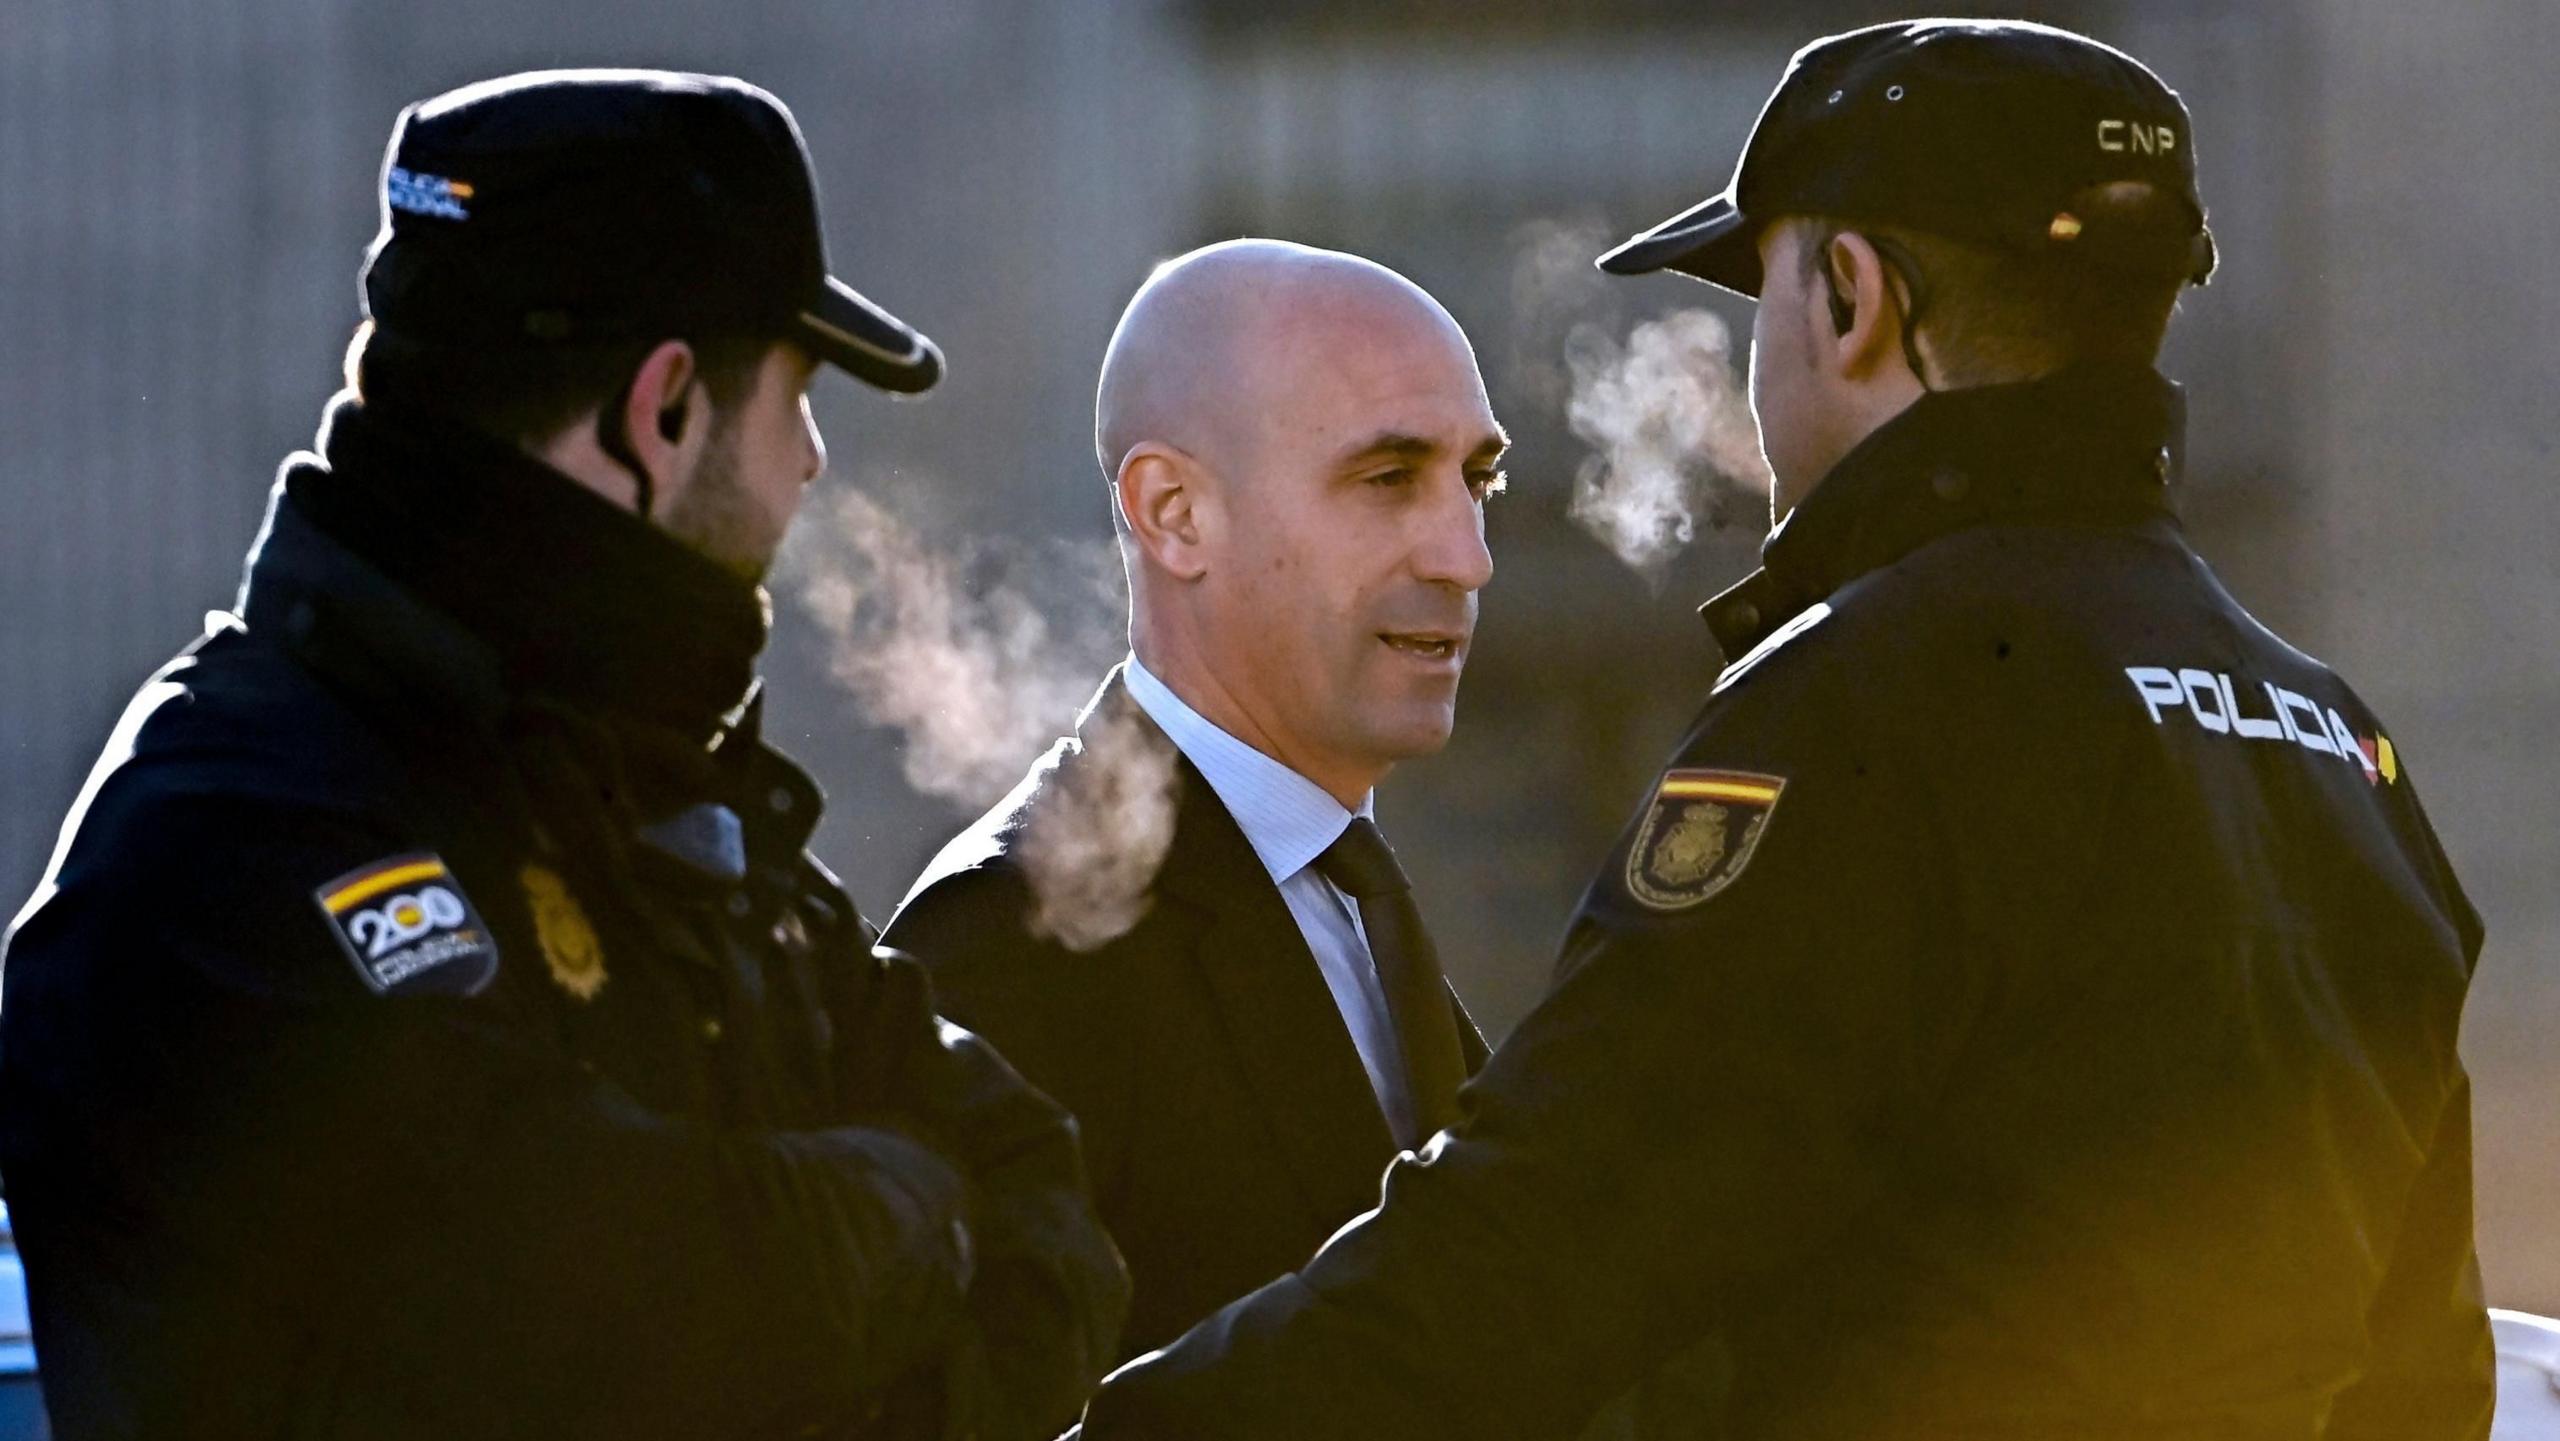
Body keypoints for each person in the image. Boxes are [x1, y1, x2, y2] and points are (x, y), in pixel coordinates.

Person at [1069, 20, 2491, 1440]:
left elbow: (1535, 1248)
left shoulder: (1874, 699)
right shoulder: (2334, 743)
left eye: (1766, 299)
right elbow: (2427, 1370)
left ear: (1856, 296)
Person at [0, 70, 1125, 1440]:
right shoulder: (225, 838)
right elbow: (631, 1332)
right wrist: (920, 1209)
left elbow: (1044, 1201)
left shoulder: (662, 800)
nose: (815, 465)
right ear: (659, 414)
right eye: (796, 400)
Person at [880, 239, 1500, 1364]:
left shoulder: (1344, 891)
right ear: (1171, 513)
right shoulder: (1020, 933)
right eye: (1388, 478)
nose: (1465, 553)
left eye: (1478, 480)